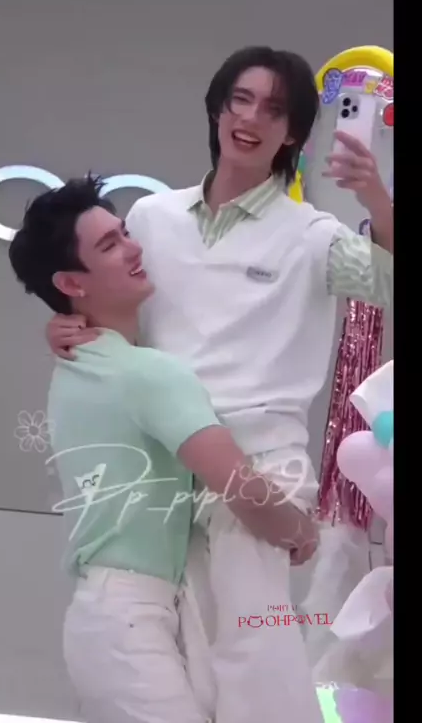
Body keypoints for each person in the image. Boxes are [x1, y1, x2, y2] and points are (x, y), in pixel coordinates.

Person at [46, 47, 393, 723]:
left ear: (293, 134)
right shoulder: (152, 218)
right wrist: (63, 324)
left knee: (251, 649)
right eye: (241, 99)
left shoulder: (312, 236)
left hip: (260, 463)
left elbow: (387, 279)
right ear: (217, 108)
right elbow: (105, 302)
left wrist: (375, 197)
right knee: (176, 653)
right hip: (162, 465)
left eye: (275, 109)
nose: (252, 118)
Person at [8, 175, 319, 723]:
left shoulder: (80, 362)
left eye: (125, 233)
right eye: (109, 245)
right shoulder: (146, 373)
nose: (134, 248)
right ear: (71, 282)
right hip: (127, 620)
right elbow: (239, 487)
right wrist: (300, 529)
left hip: (127, 614)